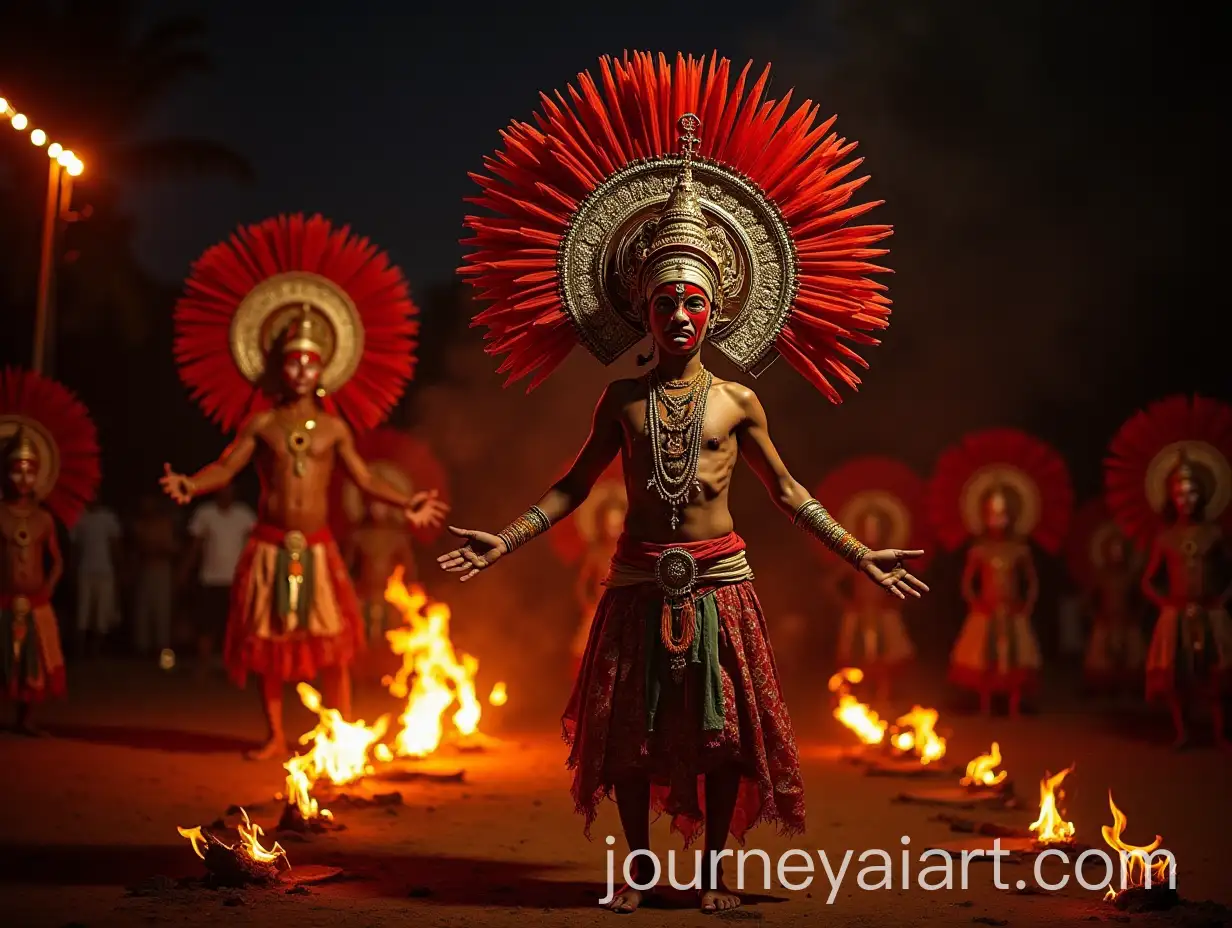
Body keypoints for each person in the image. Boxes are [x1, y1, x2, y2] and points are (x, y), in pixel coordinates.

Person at [444, 53, 924, 914]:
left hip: (720, 578)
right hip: (637, 576)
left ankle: (707, 873)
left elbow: (789, 492)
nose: (678, 314)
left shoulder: (739, 399)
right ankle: (635, 871)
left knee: (721, 739)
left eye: (693, 301)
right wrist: (504, 538)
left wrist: (862, 556)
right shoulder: (621, 397)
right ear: (642, 307)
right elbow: (573, 486)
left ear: (718, 309)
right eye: (664, 300)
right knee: (630, 737)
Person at [160, 214, 448, 759]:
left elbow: (363, 480)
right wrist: (190, 486)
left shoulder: (337, 428)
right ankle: (274, 735)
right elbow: (226, 467)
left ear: (324, 371)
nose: (300, 370)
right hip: (270, 546)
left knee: (334, 646)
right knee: (269, 648)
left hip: (318, 548)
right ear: (277, 364)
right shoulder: (262, 424)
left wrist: (406, 500)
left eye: (311, 362)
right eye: (292, 360)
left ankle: (337, 732)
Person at [1105, 395, 1232, 748]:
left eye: (1191, 491)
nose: (1185, 497)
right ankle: (1183, 732)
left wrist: (1221, 599)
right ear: (1169, 496)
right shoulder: (1166, 538)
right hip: (1175, 615)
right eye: (1178, 491)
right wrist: (1166, 605)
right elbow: (1148, 580)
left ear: (1202, 493)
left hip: (1210, 613)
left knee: (1214, 678)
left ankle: (1221, 733)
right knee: (1178, 679)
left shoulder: (1214, 534)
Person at [929, 428, 1073, 717]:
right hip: (985, 611)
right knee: (984, 658)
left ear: (1014, 515)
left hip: (1012, 609)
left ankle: (1014, 706)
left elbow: (1031, 580)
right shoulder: (979, 548)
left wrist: (1027, 605)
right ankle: (985, 705)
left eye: (1003, 514)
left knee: (1016, 658)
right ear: (983, 515)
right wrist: (975, 603)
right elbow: (968, 581)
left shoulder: (1019, 548)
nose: (998, 519)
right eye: (992, 514)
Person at [0, 368, 100, 734]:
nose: (23, 479)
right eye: (16, 471)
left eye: (30, 471)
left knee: (33, 659)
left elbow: (57, 560)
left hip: (36, 597)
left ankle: (27, 719)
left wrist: (49, 589)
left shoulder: (43, 518)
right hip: (3, 597)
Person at [816, 456, 931, 703]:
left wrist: (896, 604)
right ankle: (863, 697)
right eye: (868, 527)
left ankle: (884, 696)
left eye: (876, 527)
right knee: (861, 657)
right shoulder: (856, 556)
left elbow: (905, 580)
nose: (872, 532)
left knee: (886, 658)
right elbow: (831, 583)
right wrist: (846, 604)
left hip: (884, 613)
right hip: (859, 614)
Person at [182, 484, 255, 673]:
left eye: (229, 490)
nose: (226, 494)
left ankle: (237, 668)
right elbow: (195, 546)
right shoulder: (205, 513)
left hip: (236, 580)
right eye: (222, 490)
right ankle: (203, 668)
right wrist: (184, 571)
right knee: (206, 625)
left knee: (237, 627)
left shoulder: (244, 515)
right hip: (210, 578)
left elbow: (252, 547)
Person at [130, 492, 181, 657]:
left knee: (162, 611)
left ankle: (162, 650)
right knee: (143, 611)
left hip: (162, 570)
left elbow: (172, 547)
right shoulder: (139, 525)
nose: (148, 507)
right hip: (145, 570)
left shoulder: (164, 524)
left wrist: (159, 548)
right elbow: (138, 549)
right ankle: (142, 649)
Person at [70, 499, 121, 656]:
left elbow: (116, 546)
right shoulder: (79, 518)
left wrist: (120, 568)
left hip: (105, 572)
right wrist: (72, 570)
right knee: (83, 612)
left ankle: (96, 650)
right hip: (85, 571)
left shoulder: (107, 518)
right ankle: (80, 649)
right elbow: (74, 548)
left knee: (102, 613)